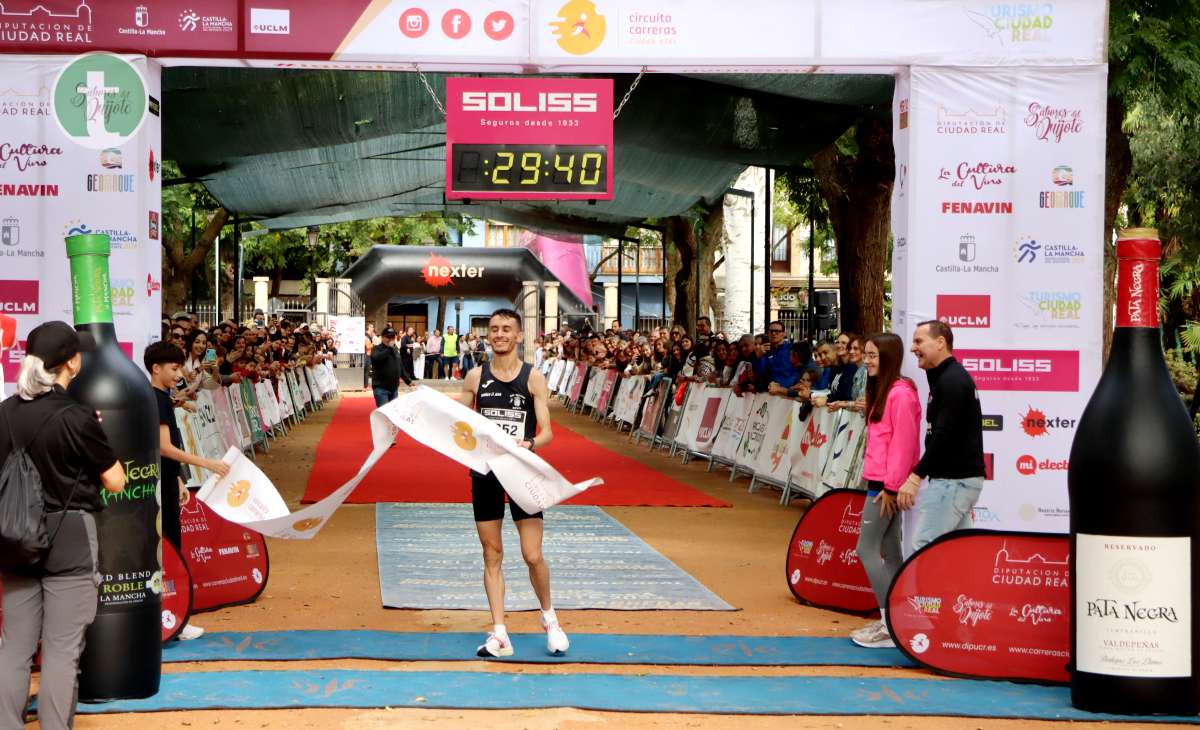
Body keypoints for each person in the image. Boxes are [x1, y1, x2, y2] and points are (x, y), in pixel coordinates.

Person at [0, 323, 128, 730]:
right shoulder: (77, 417)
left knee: (14, 649)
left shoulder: (3, 413)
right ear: (71, 362)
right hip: (70, 538)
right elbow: (115, 480)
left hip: (15, 539)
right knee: (61, 651)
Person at [456, 308, 568, 659]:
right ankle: (500, 632)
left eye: (507, 329)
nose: (500, 334)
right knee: (492, 554)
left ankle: (549, 618)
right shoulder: (475, 377)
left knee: (532, 555)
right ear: (487, 336)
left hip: (522, 470)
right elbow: (458, 422)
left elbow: (547, 432)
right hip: (486, 473)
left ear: (519, 336)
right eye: (494, 329)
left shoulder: (533, 378)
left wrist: (530, 444)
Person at [144, 341, 230, 641]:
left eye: (180, 367)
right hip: (158, 486)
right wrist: (206, 462)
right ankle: (174, 620)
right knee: (168, 551)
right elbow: (164, 448)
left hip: (164, 481)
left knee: (168, 549)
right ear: (156, 369)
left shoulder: (159, 398)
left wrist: (179, 479)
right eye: (174, 368)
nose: (179, 373)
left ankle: (172, 617)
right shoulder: (157, 400)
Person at [851, 333, 922, 649]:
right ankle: (895, 621)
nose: (866, 360)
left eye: (872, 355)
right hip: (882, 483)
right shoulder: (887, 392)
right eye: (865, 354)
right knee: (891, 551)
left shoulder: (900, 395)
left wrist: (892, 488)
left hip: (885, 487)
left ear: (889, 358)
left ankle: (889, 623)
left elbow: (904, 445)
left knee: (866, 548)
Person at [897, 320, 987, 550]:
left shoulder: (952, 381)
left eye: (919, 341)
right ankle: (966, 588)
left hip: (953, 482)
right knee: (958, 553)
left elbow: (943, 436)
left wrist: (915, 477)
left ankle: (915, 589)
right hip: (957, 481)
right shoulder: (945, 377)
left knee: (923, 550)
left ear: (940, 342)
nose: (913, 348)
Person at [370, 327, 409, 406]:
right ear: (382, 337)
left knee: (393, 415)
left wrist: (408, 381)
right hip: (381, 388)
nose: (391, 339)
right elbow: (376, 358)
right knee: (384, 415)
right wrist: (389, 349)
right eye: (388, 337)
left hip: (394, 389)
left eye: (393, 337)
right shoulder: (376, 349)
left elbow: (400, 367)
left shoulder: (395, 350)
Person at [755, 320, 799, 391]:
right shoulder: (765, 350)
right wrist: (759, 357)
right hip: (769, 391)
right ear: (768, 333)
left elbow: (799, 370)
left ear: (784, 334)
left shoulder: (792, 349)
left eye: (777, 331)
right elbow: (760, 372)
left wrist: (787, 387)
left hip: (787, 391)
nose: (774, 333)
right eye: (771, 331)